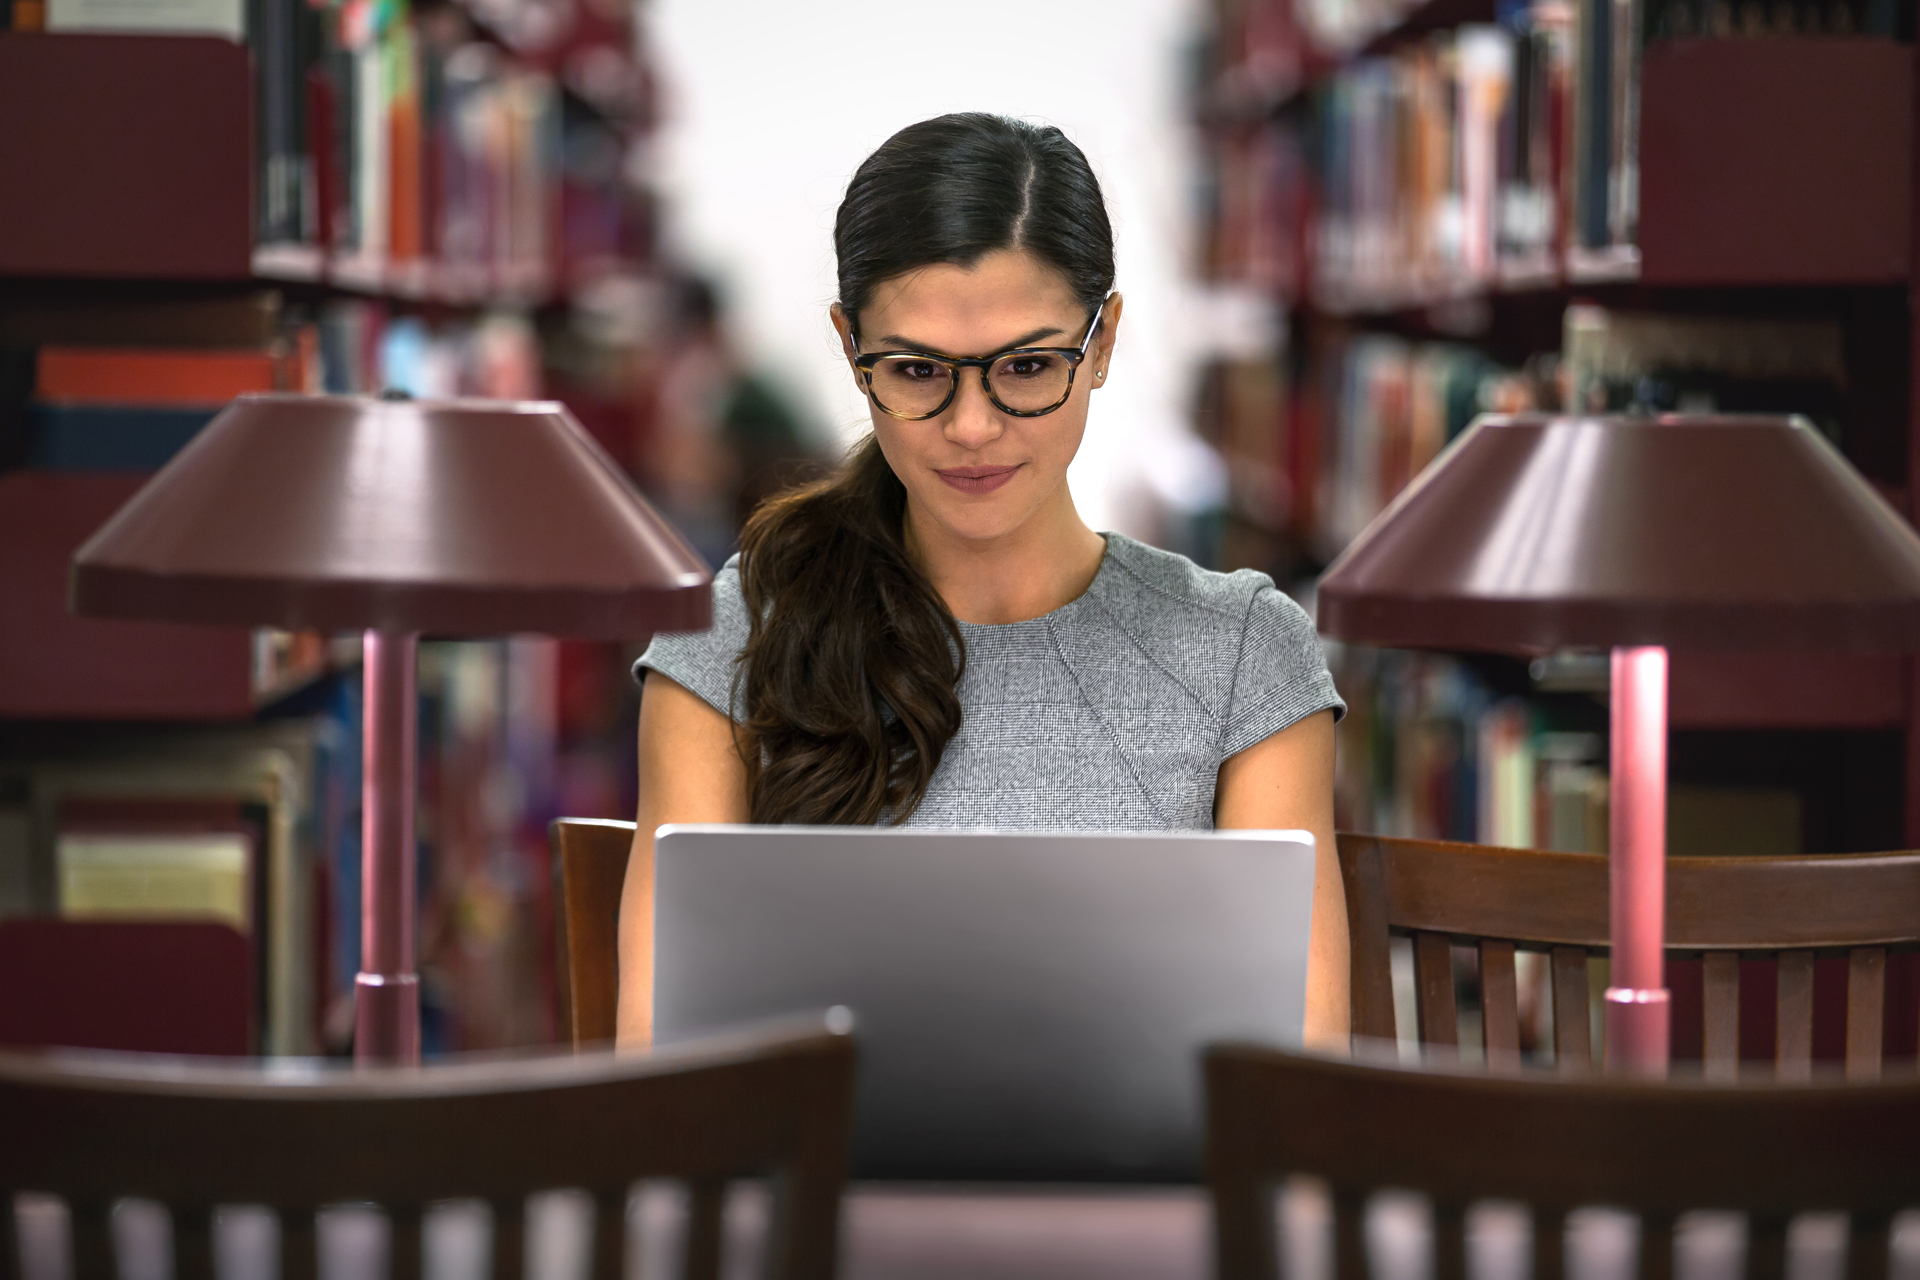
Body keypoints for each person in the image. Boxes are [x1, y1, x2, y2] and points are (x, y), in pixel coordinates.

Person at [617, 113, 1348, 1049]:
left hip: (1161, 1196)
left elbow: (1299, 1065)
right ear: (851, 350)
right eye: (917, 371)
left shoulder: (1246, 653)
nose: (971, 427)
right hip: (803, 1190)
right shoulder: (735, 635)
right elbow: (657, 1057)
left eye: (1029, 366)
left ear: (1105, 341)